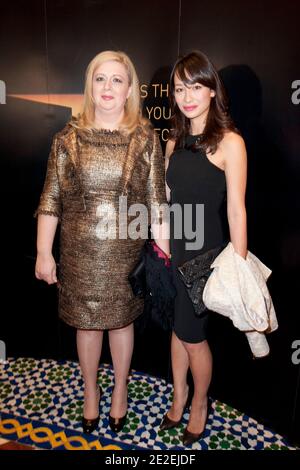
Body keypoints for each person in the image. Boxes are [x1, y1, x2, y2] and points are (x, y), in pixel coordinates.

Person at [35, 50, 169, 434]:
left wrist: (163, 255)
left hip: (125, 255)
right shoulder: (66, 139)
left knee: (121, 324)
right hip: (79, 256)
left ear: (129, 90)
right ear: (89, 87)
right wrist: (44, 252)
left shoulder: (145, 139)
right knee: (87, 326)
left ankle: (121, 390)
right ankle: (91, 392)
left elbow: (158, 203)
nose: (107, 87)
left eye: (116, 80)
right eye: (100, 78)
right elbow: (50, 199)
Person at [161, 50, 247, 446]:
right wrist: (159, 235)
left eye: (196, 86)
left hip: (206, 257)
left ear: (212, 89)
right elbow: (164, 197)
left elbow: (235, 209)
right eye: (180, 88)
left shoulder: (230, 142)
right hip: (175, 251)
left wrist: (240, 266)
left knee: (193, 337)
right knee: (179, 333)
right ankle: (178, 397)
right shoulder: (174, 140)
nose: (187, 95)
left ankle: (198, 403)